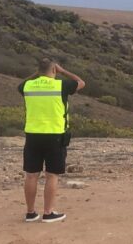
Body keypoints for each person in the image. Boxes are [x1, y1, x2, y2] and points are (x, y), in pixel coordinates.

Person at [17, 58, 85, 223]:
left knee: (31, 175)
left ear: (38, 70)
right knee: (52, 175)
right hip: (54, 136)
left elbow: (21, 84)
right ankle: (48, 213)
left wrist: (38, 72)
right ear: (54, 70)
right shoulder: (60, 85)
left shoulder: (28, 86)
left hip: (33, 136)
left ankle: (30, 213)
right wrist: (62, 71)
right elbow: (80, 82)